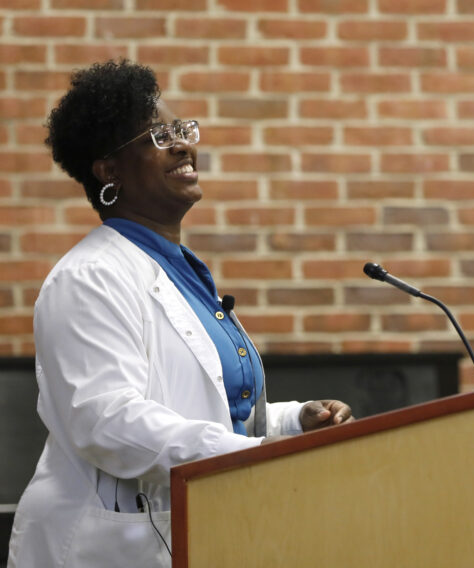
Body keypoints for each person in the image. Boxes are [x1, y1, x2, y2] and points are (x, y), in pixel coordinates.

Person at [7, 60, 353, 567]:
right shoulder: (88, 277)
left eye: (182, 130)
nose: (183, 145)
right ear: (108, 170)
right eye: (159, 136)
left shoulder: (178, 272)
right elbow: (106, 422)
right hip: (105, 549)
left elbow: (213, 414)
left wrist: (292, 423)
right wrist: (253, 453)